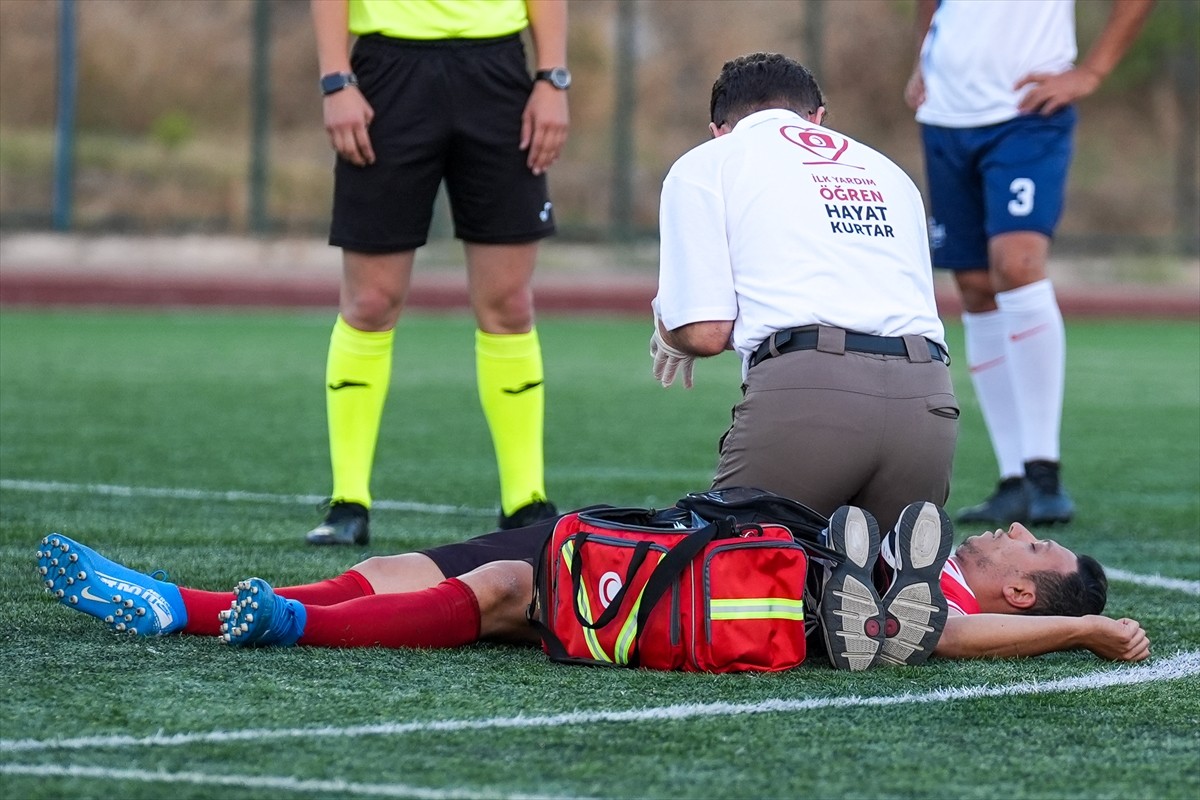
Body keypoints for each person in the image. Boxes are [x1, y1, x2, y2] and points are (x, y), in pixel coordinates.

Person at [36, 495, 1150, 669]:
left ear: (1016, 594)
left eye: (1034, 549)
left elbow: (934, 645)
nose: (1014, 528)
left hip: (686, 592)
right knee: (408, 562)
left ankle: (274, 624)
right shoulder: (921, 538)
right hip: (658, 535)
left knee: (510, 587)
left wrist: (1086, 626)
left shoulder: (929, 606)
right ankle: (186, 603)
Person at [649, 52, 959, 535]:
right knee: (872, 590)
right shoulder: (890, 172)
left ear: (718, 130)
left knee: (728, 579)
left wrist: (669, 329)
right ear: (818, 117)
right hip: (928, 399)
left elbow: (706, 331)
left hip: (811, 393)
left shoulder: (708, 162)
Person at [305, 0, 571, 546]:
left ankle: (525, 499)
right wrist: (336, 81)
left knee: (509, 304)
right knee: (370, 303)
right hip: (387, 72)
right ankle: (347, 500)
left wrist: (552, 79)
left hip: (498, 72)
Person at [904, 0, 1154, 527]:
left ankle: (1045, 471)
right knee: (973, 283)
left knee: (1016, 265)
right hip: (947, 115)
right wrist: (921, 59)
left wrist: (1093, 71)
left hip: (1024, 113)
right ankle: (1013, 477)